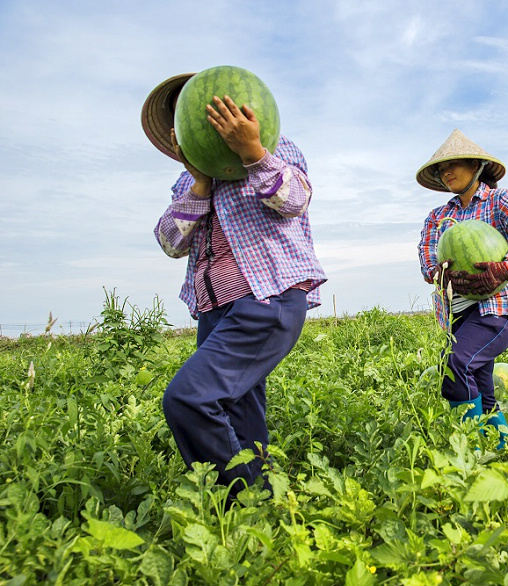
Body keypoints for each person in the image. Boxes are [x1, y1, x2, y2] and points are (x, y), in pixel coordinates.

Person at [141, 73, 327, 498]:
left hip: (268, 298)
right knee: (238, 410)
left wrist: (254, 153)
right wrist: (200, 183)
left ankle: (242, 500)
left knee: (189, 399)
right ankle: (263, 508)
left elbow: (294, 201)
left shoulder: (276, 149)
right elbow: (170, 241)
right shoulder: (187, 182)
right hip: (214, 307)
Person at [416, 129, 508, 449]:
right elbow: (427, 257)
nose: (446, 172)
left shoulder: (502, 200)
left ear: (477, 166)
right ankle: (500, 449)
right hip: (459, 310)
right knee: (480, 381)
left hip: (501, 304)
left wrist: (505, 267)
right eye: (440, 169)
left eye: (454, 164)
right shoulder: (439, 217)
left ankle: (472, 448)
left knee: (455, 367)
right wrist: (440, 275)